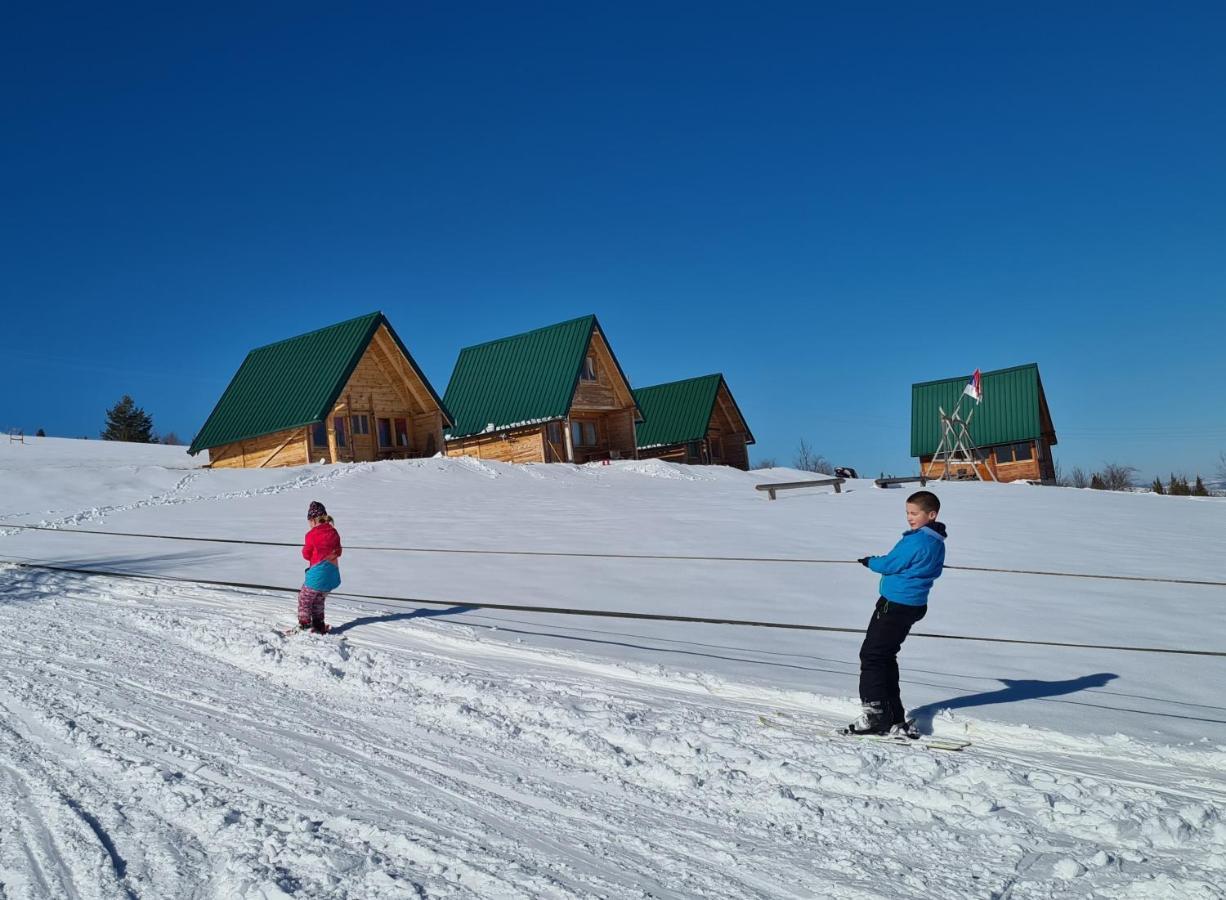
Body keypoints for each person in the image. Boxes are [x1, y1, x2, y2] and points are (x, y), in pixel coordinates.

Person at [847, 490, 947, 736]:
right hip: (913, 604)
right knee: (885, 656)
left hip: (895, 605)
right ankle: (892, 715)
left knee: (872, 656)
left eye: (914, 513)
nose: (909, 518)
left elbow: (891, 563)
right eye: (907, 513)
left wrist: (871, 561)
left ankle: (876, 716)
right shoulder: (937, 541)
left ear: (931, 514)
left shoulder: (917, 540)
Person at [298, 500, 342, 634]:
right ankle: (318, 624)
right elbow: (339, 552)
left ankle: (305, 625)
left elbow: (306, 554)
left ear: (312, 520)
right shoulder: (334, 532)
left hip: (318, 574)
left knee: (304, 598)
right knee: (318, 599)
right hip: (331, 576)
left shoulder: (311, 535)